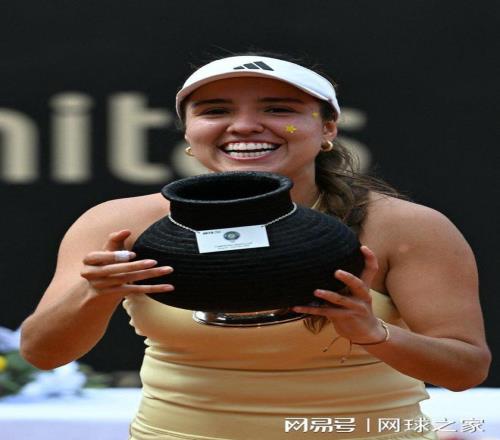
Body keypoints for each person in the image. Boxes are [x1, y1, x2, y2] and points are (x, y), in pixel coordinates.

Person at [20, 53, 491, 440]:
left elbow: (464, 370)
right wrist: (94, 292)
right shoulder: (118, 224)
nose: (245, 126)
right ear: (188, 134)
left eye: (279, 110)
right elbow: (43, 354)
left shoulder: (405, 227)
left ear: (328, 129)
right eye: (215, 111)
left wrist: (372, 332)